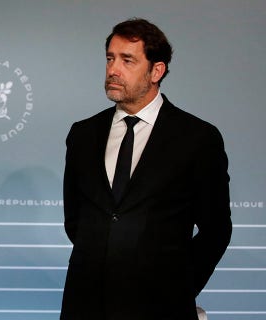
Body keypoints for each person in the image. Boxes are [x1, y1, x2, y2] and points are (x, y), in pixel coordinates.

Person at [61, 18, 232, 319]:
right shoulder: (83, 134)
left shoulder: (197, 138)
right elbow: (76, 221)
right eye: (110, 58)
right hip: (85, 305)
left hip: (162, 308)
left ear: (157, 70)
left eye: (127, 60)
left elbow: (216, 230)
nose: (113, 69)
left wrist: (179, 287)